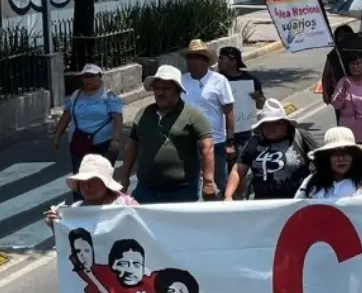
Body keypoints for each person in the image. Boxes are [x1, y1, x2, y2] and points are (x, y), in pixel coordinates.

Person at [120, 65, 216, 203]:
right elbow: (132, 146)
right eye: (157, 88)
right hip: (145, 189)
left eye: (166, 89)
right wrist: (124, 177)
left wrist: (208, 182)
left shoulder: (192, 115)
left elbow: (208, 148)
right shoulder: (144, 114)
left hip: (182, 191)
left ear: (178, 90)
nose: (160, 93)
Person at [180, 39, 236, 194]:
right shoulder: (181, 81)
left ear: (205, 61)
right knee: (193, 181)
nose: (190, 62)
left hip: (215, 141)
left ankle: (228, 202)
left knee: (221, 181)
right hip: (189, 142)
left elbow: (229, 111)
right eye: (189, 58)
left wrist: (230, 141)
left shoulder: (219, 81)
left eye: (195, 58)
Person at [224, 99, 311, 201]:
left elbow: (323, 161)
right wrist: (228, 195)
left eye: (276, 123)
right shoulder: (254, 142)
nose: (271, 127)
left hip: (298, 203)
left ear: (286, 124)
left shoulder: (300, 137)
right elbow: (238, 170)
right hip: (263, 205)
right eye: (266, 124)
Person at [53, 64, 124, 182]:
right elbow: (66, 116)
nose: (88, 79)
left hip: (102, 144)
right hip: (79, 143)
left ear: (100, 77)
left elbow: (117, 118)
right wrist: (57, 137)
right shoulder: (75, 95)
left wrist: (115, 139)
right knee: (80, 177)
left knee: (101, 178)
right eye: (85, 76)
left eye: (92, 76)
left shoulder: (109, 96)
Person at [45, 154, 138, 226]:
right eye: (82, 182)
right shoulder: (75, 210)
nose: (86, 187)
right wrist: (55, 224)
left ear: (105, 183)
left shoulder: (127, 206)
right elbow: (68, 239)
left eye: (93, 181)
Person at [297, 127, 362, 199]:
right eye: (335, 153)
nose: (341, 158)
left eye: (346, 152)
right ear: (326, 157)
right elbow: (297, 208)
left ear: (355, 156)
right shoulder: (311, 183)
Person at [218, 46, 265, 153]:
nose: (219, 62)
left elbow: (261, 106)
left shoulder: (251, 79)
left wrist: (258, 98)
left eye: (222, 58)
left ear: (233, 61)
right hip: (221, 131)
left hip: (245, 131)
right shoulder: (216, 80)